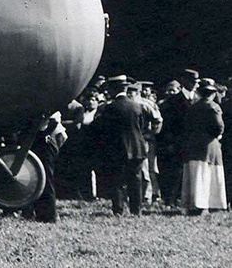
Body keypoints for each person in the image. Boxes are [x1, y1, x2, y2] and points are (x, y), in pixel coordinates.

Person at [93, 74, 161, 215]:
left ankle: (118, 209)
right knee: (135, 179)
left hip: (117, 147)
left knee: (116, 179)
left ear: (113, 89)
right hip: (137, 147)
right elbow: (142, 126)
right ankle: (136, 210)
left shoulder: (109, 108)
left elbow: (103, 129)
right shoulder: (138, 106)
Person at [180, 77, 229, 215]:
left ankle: (195, 203)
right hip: (209, 143)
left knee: (196, 173)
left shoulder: (192, 107)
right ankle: (211, 203)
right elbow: (219, 126)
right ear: (212, 93)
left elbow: (186, 125)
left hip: (193, 143)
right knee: (210, 173)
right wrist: (217, 135)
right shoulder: (213, 107)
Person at [158, 70, 198, 207]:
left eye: (196, 82)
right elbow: (168, 124)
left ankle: (188, 199)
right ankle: (171, 199)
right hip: (177, 142)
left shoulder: (199, 99)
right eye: (191, 81)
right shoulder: (173, 101)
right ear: (183, 81)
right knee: (175, 172)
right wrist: (170, 142)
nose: (194, 84)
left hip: (195, 143)